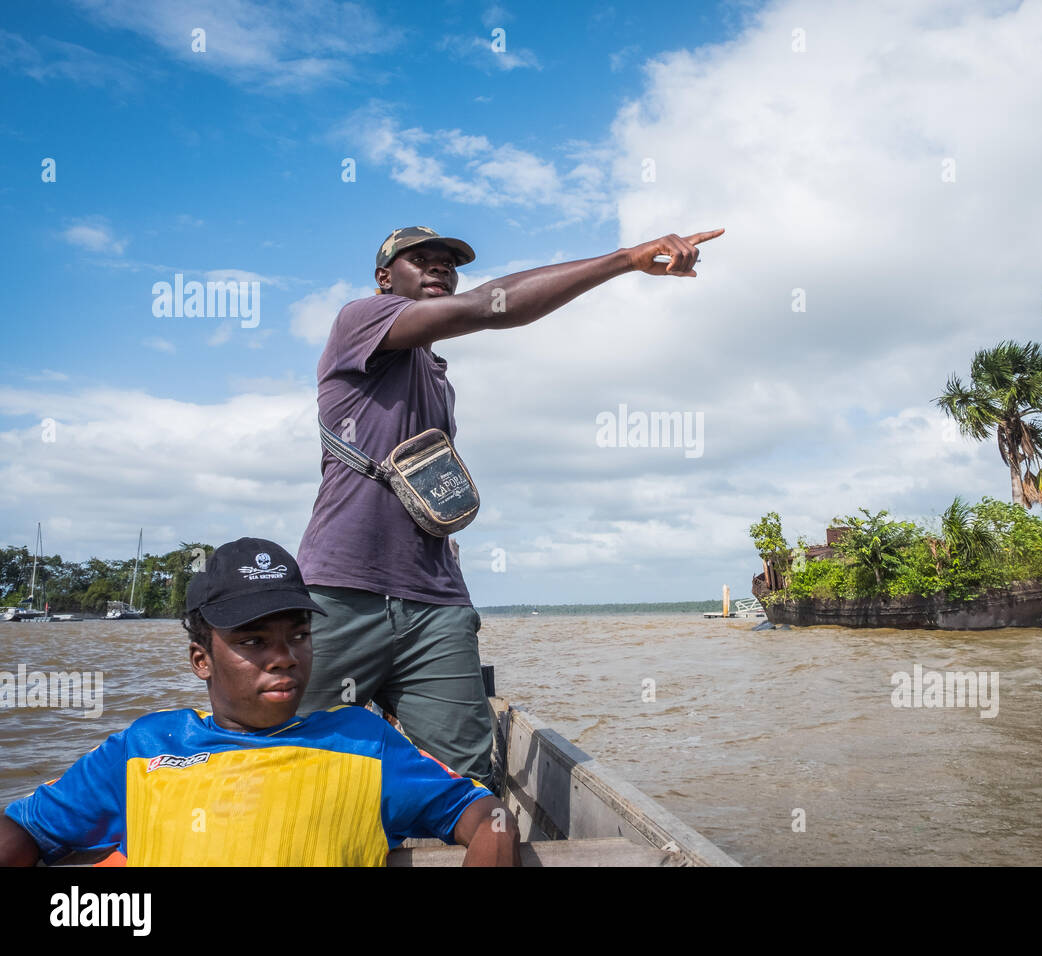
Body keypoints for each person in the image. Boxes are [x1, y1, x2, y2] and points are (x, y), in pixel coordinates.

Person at [295, 224, 725, 783]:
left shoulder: (436, 374)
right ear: (384, 279)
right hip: (342, 588)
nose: (439, 270)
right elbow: (491, 308)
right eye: (419, 260)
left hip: (434, 600)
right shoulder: (360, 321)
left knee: (467, 777)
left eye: (448, 263)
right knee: (298, 761)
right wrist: (625, 260)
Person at [0, 537, 520, 867]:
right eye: (253, 642)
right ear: (201, 660)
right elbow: (26, 828)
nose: (285, 658)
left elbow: (484, 815)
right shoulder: (143, 748)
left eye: (298, 635)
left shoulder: (363, 741)